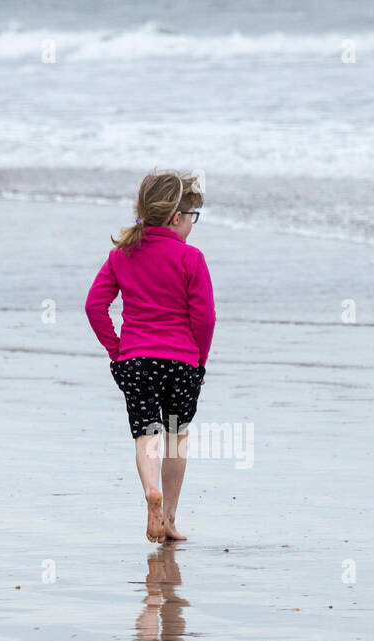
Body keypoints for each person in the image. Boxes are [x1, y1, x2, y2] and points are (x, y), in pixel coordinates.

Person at [84, 169, 215, 542]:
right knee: (176, 436)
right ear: (176, 218)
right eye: (193, 216)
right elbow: (205, 317)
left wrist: (118, 350)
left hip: (137, 361)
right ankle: (170, 517)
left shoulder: (122, 255)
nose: (193, 224)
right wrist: (199, 361)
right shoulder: (191, 258)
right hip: (182, 364)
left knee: (146, 436)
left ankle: (150, 492)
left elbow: (95, 306)